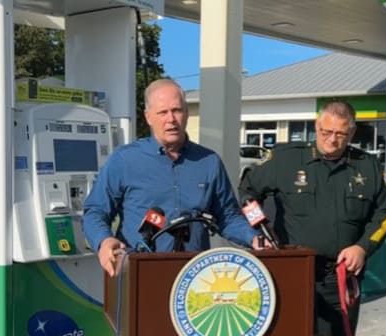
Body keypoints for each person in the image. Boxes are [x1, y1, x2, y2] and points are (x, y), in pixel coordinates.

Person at [239, 100, 386, 336]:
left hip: (337, 279)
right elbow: (247, 191)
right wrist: (259, 230)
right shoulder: (285, 159)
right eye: (326, 132)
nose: (332, 140)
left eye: (341, 134)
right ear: (316, 126)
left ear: (352, 133)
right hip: (290, 277)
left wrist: (362, 247)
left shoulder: (367, 167)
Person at [83, 78, 261, 276]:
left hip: (195, 278)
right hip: (140, 274)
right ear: (148, 117)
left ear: (186, 113)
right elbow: (96, 211)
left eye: (177, 110)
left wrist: (253, 238)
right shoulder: (124, 160)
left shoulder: (209, 162)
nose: (171, 119)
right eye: (162, 112)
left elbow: (227, 216)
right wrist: (104, 241)